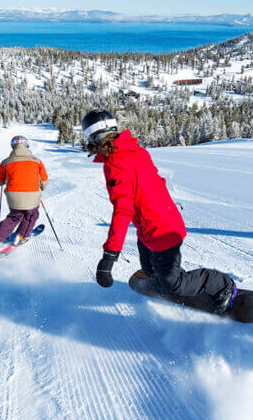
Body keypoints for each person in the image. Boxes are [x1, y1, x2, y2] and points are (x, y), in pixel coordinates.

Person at [82, 109, 236, 314]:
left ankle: (223, 285)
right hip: (151, 225)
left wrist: (109, 256)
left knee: (174, 284)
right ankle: (161, 282)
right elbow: (155, 182)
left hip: (162, 229)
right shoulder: (133, 151)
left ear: (92, 137)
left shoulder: (116, 163)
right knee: (149, 271)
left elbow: (122, 210)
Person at [0, 135, 48, 250]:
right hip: (32, 194)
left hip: (13, 195)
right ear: (27, 145)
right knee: (31, 215)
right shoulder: (37, 161)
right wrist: (41, 187)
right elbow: (44, 181)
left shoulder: (6, 162)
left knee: (14, 217)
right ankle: (21, 236)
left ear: (13, 146)